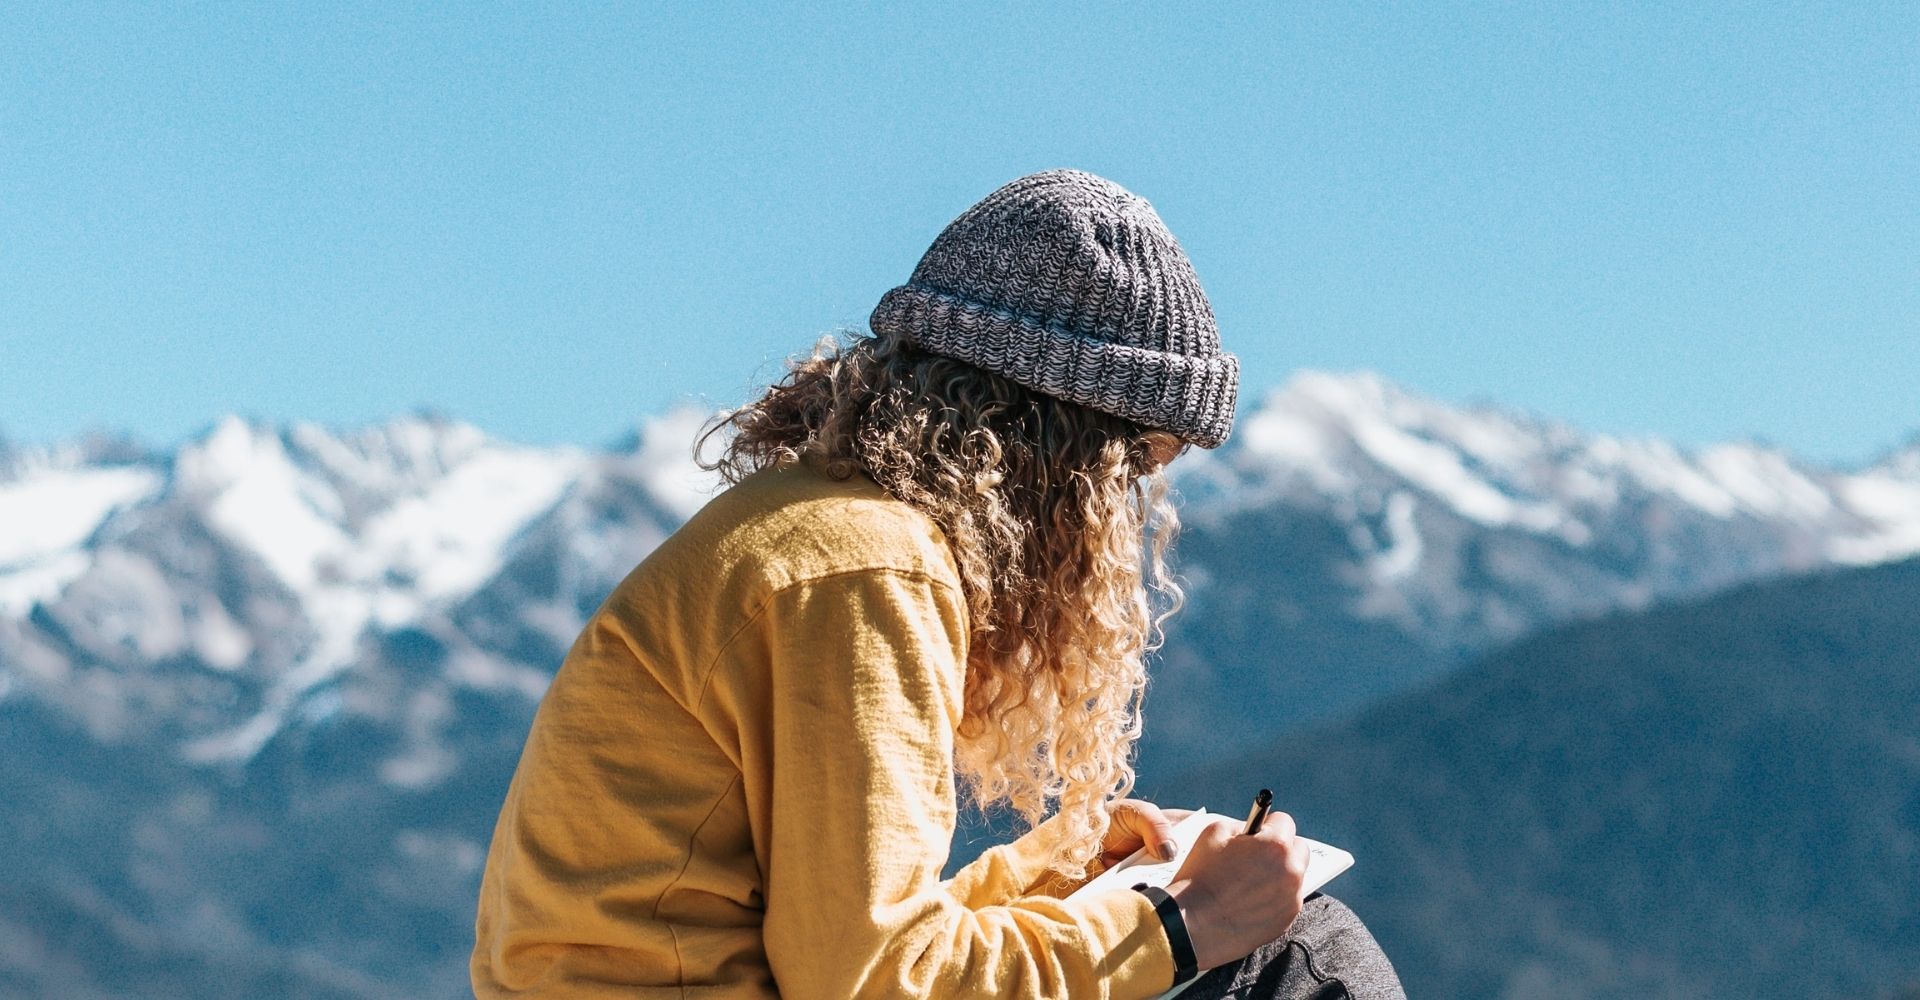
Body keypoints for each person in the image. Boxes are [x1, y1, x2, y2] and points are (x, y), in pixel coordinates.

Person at [470, 168, 1405, 999]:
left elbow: (844, 938)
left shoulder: (815, 531)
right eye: (1133, 470)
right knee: (1297, 951)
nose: (1128, 517)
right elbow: (873, 981)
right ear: (1066, 460)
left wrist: (1061, 872)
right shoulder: (867, 571)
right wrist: (1177, 927)